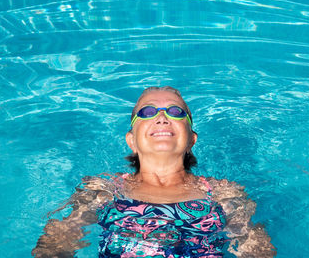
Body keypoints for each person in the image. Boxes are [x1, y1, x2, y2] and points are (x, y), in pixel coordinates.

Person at [32, 86, 276, 257]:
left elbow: (256, 250)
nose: (162, 117)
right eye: (147, 112)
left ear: (192, 139)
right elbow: (56, 244)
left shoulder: (222, 194)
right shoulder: (103, 190)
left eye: (176, 112)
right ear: (132, 140)